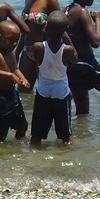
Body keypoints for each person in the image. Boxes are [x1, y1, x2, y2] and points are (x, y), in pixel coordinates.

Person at [29, 11, 78, 147]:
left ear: (46, 27)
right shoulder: (67, 49)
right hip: (61, 91)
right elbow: (75, 59)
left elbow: (37, 63)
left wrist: (45, 31)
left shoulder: (38, 47)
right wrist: (67, 37)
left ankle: (33, 159)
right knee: (66, 135)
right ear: (65, 30)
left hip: (43, 89)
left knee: (36, 135)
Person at [18, 0, 61, 91]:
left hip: (43, 51)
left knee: (46, 89)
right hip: (27, 50)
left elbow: (59, 26)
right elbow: (24, 29)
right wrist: (17, 51)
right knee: (23, 90)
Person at [0, 20, 30, 142]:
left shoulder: (11, 53)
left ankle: (16, 150)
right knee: (2, 130)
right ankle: (0, 155)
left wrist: (23, 78)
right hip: (0, 96)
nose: (14, 43)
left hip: (13, 94)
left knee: (22, 126)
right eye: (11, 40)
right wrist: (9, 76)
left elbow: (15, 69)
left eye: (17, 40)